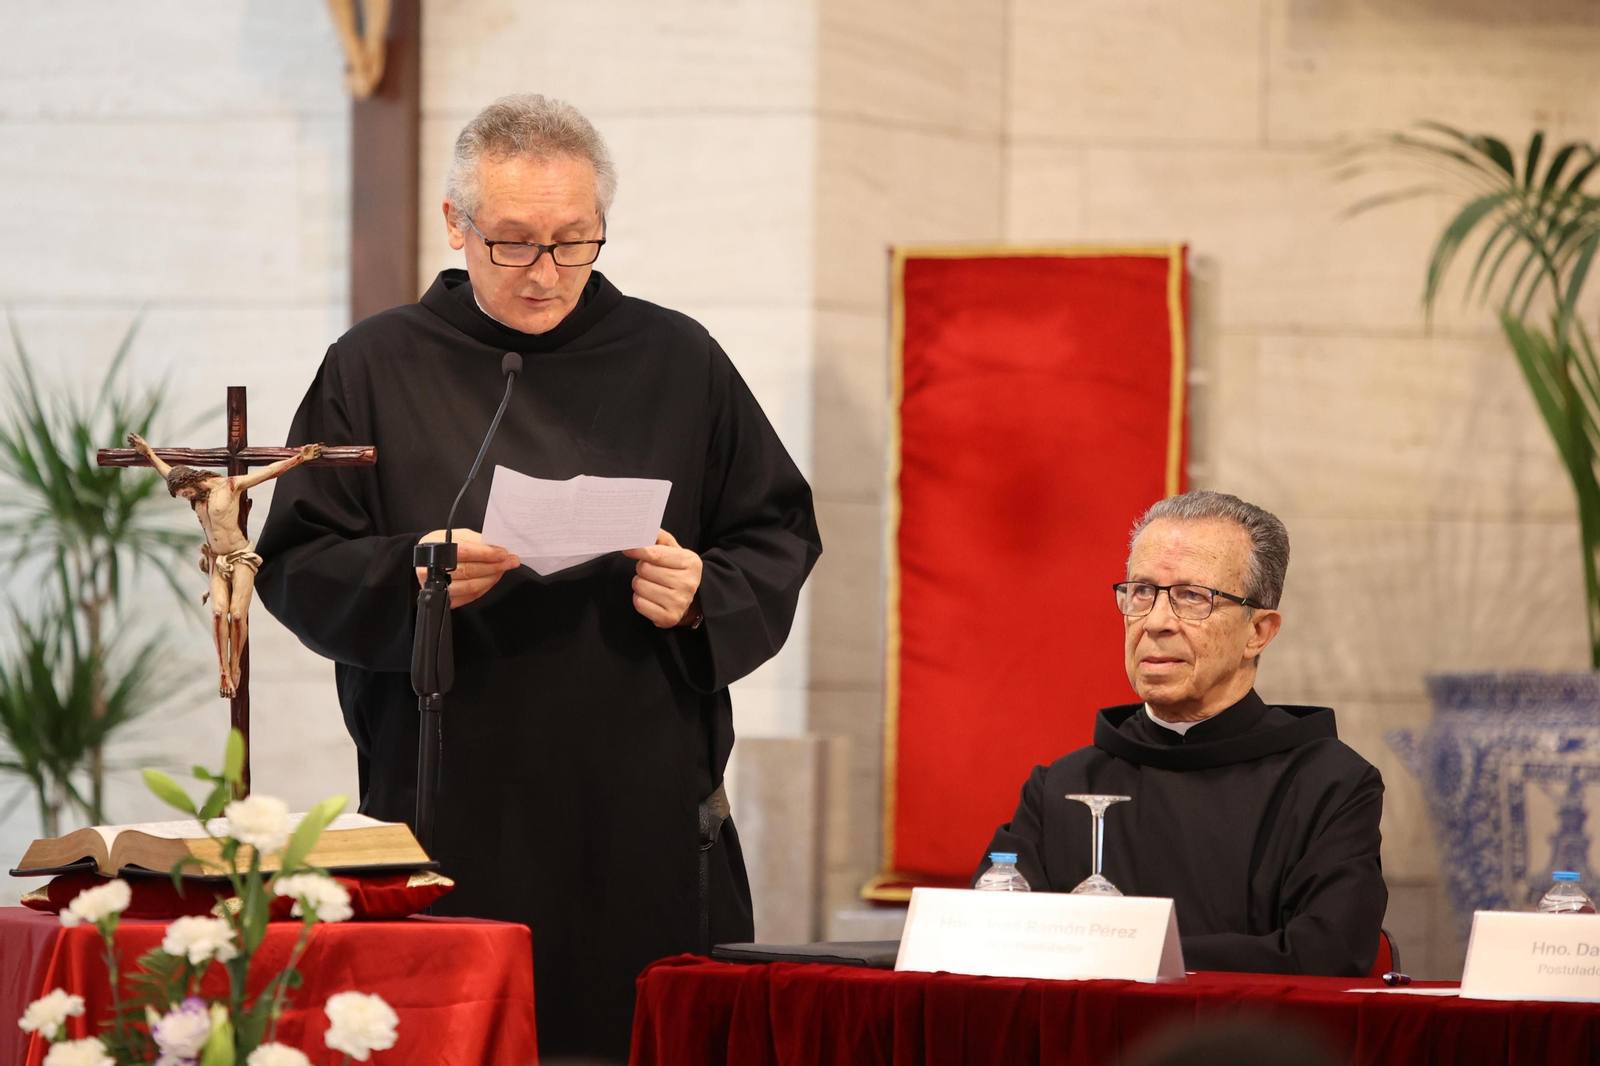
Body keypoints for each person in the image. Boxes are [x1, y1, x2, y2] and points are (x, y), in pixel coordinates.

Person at [255, 94, 821, 1059]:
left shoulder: (676, 356)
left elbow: (776, 531)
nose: (547, 272)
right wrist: (416, 572)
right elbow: (301, 561)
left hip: (638, 808)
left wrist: (701, 593)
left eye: (574, 241)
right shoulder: (376, 365)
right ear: (455, 225)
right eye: (514, 243)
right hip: (451, 809)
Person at [976, 490, 1385, 976]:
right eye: (1142, 592)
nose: (1156, 622)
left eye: (1193, 597)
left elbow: (1328, 954)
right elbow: (991, 942)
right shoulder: (1061, 788)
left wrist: (1126, 953)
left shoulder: (1329, 784)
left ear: (1258, 632)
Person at [126, 432, 321, 697]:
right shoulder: (192, 494)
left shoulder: (229, 486)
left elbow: (269, 473)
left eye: (185, 493)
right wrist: (147, 451)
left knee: (237, 615)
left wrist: (300, 457)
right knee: (219, 613)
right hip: (216, 559)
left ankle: (235, 665)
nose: (186, 498)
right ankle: (223, 671)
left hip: (240, 556)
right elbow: (167, 471)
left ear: (191, 481)